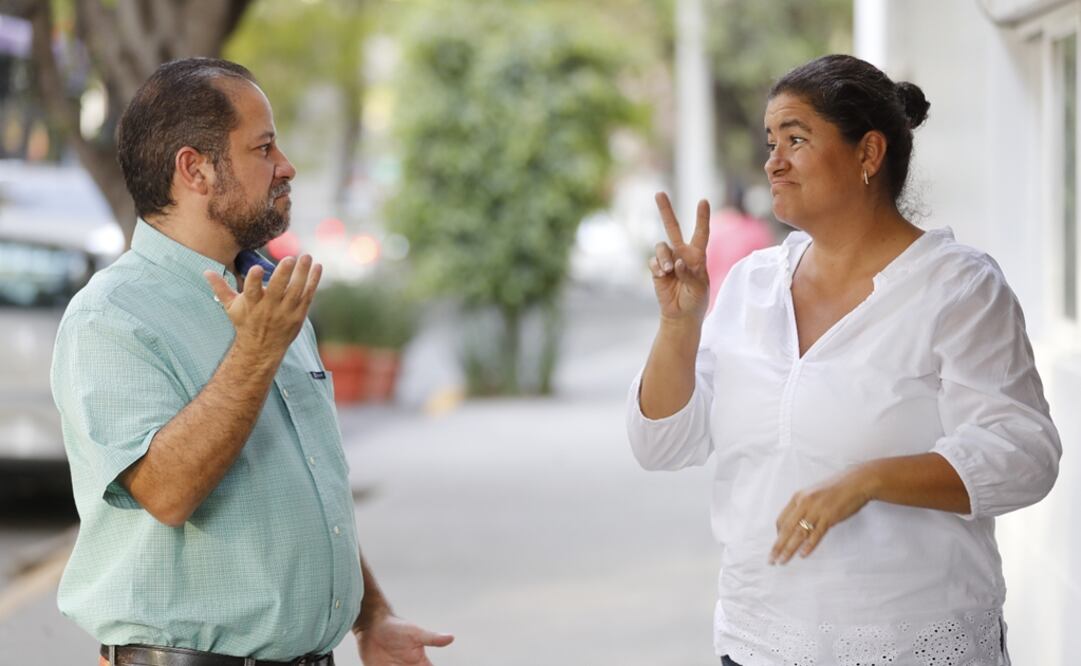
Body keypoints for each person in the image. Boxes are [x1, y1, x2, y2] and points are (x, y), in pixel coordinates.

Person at [626, 54, 1060, 665]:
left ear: (868, 154)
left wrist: (870, 479)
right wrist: (679, 323)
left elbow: (1024, 454)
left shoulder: (956, 288)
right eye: (770, 140)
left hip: (914, 645)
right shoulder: (751, 285)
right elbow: (663, 445)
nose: (773, 160)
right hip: (758, 644)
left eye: (796, 139)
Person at [51, 58, 453, 666]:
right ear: (196, 169)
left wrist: (373, 616)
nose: (286, 166)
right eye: (263, 148)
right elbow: (166, 492)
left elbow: (304, 483)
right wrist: (256, 352)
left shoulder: (266, 294)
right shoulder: (110, 318)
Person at [704, 181, 774, 311]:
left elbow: (707, 264)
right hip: (748, 302)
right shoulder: (757, 229)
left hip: (716, 299)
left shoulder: (716, 224)